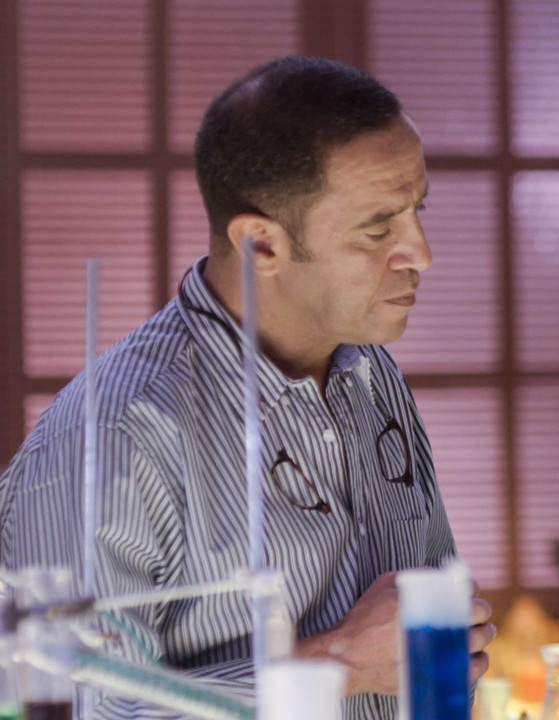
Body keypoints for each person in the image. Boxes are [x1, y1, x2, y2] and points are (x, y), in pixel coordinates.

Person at [0, 56, 496, 719]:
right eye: (379, 228)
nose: (422, 252)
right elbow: (77, 705)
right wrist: (338, 664)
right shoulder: (114, 436)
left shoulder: (369, 372)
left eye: (417, 211)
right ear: (261, 245)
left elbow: (423, 627)